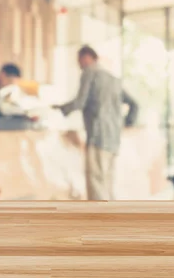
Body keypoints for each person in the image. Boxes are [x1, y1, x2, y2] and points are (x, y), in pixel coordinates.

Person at [56, 45, 138, 201]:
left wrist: (60, 109)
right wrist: (126, 123)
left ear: (87, 57)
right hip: (113, 140)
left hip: (97, 137)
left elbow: (80, 102)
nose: (79, 65)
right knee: (107, 183)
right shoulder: (113, 79)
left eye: (79, 60)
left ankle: (100, 220)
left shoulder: (89, 73)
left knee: (96, 182)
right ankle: (111, 219)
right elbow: (135, 104)